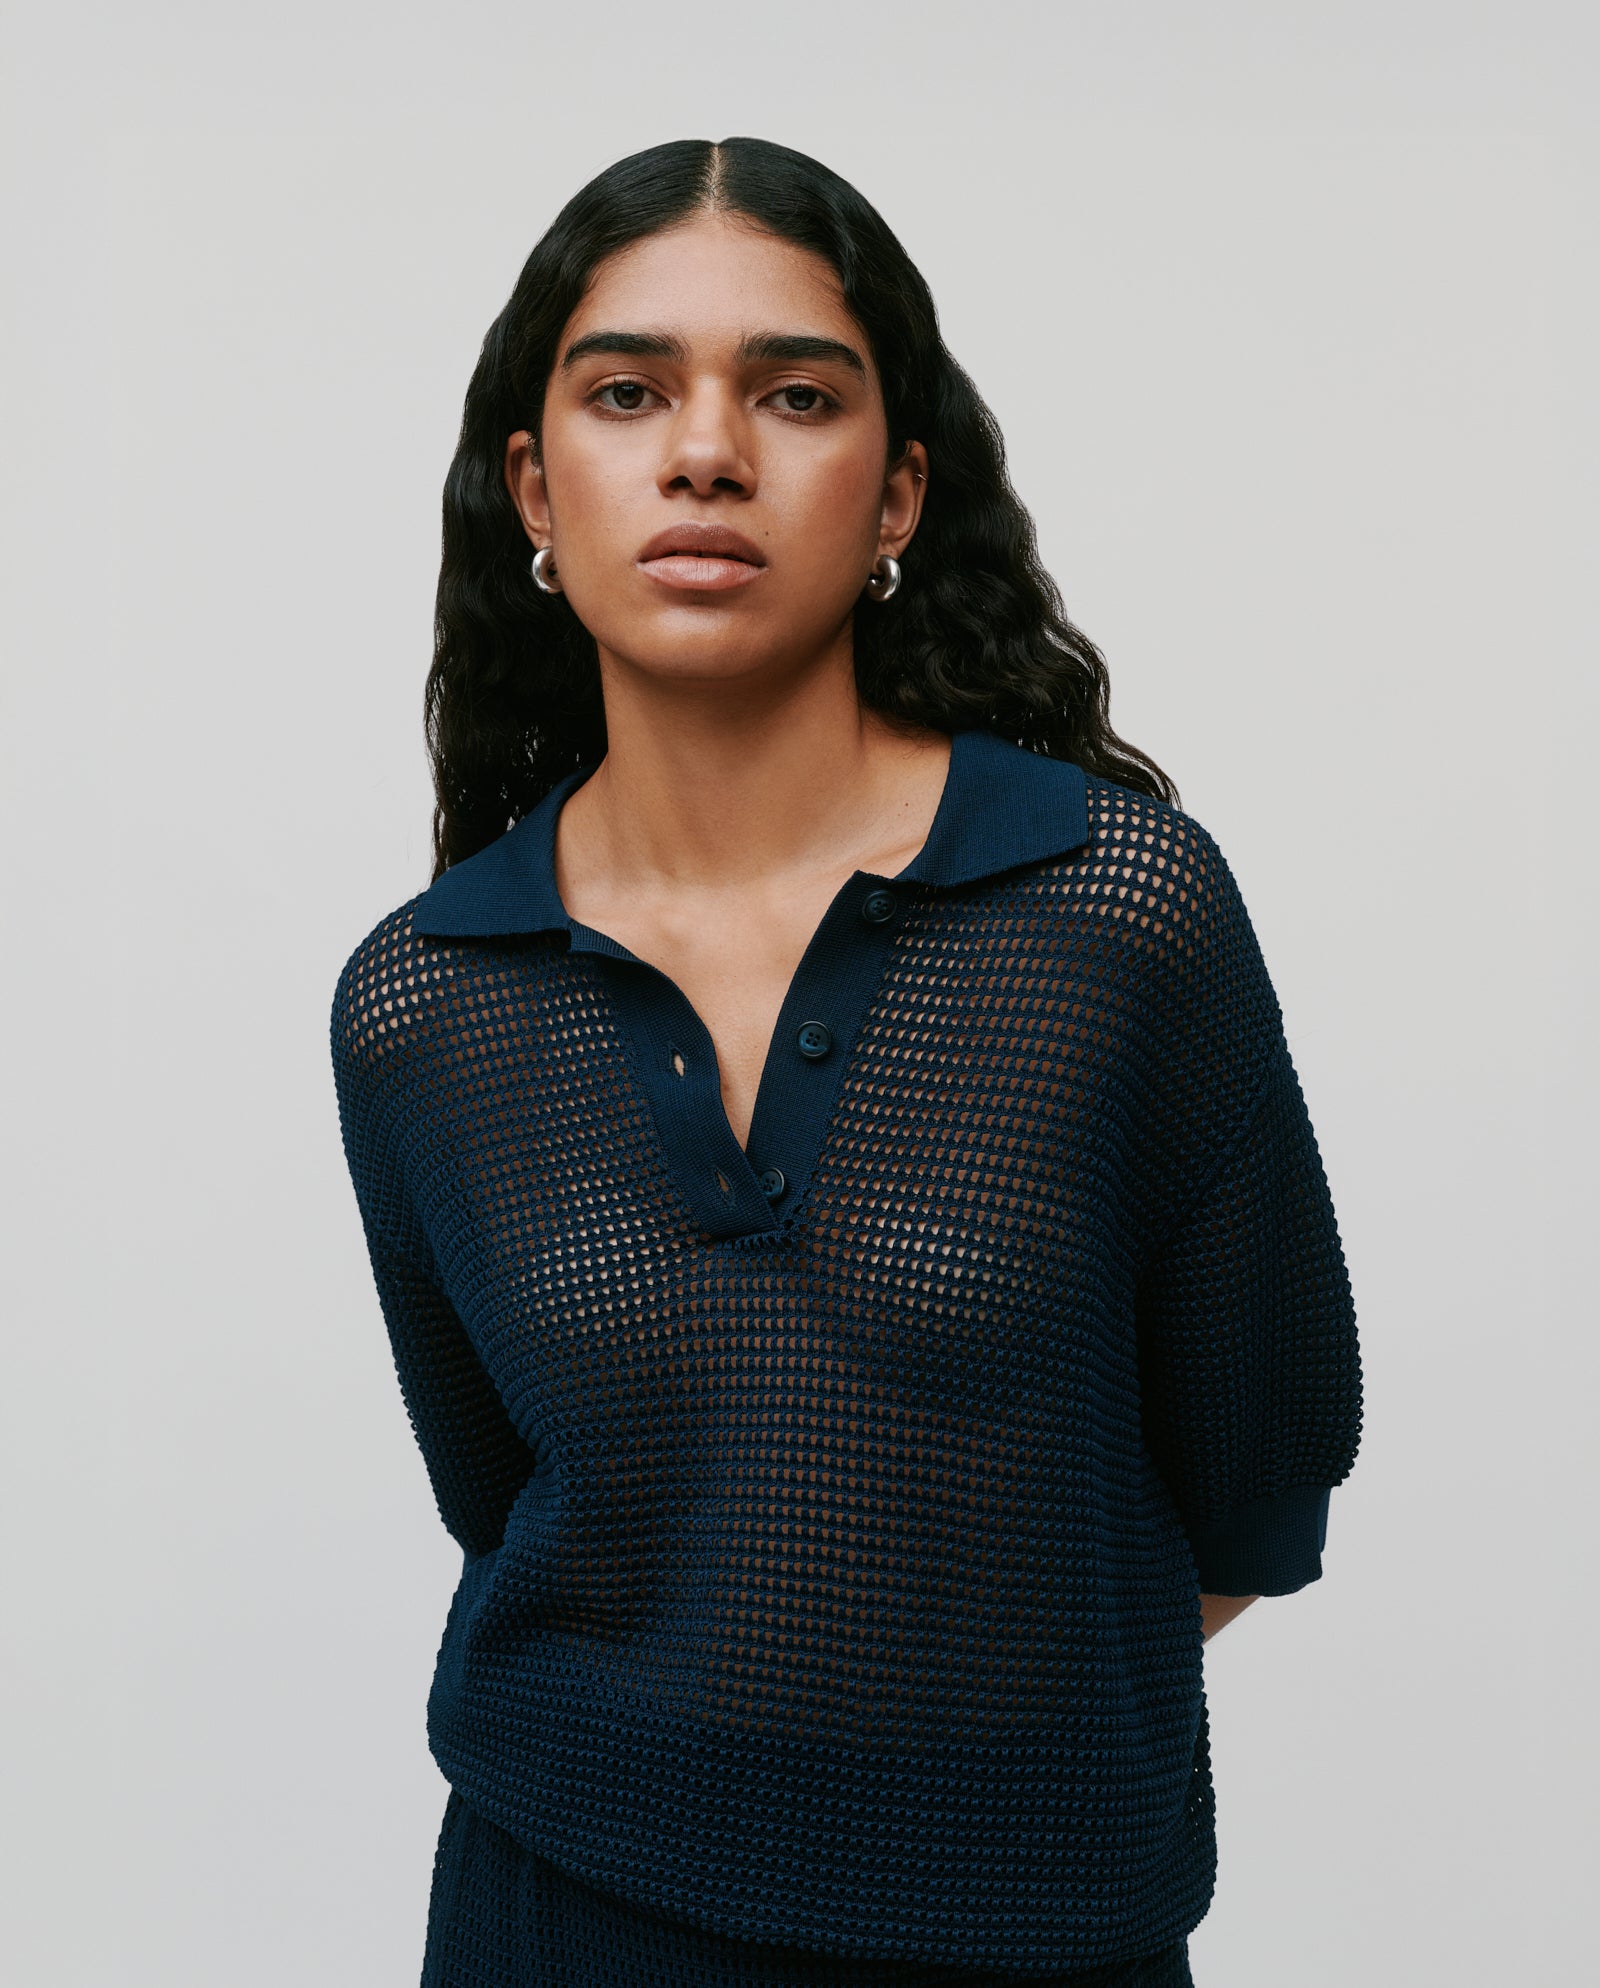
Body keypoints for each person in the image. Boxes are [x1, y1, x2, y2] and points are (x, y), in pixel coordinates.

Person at [330, 136, 1364, 1988]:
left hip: (1035, 1936)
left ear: (896, 498)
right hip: (555, 1914)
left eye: (793, 396)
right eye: (627, 390)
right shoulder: (425, 1004)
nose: (706, 451)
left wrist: (926, 1775)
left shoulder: (1117, 914)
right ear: (534, 492)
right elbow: (516, 1517)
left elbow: (1254, 1479)